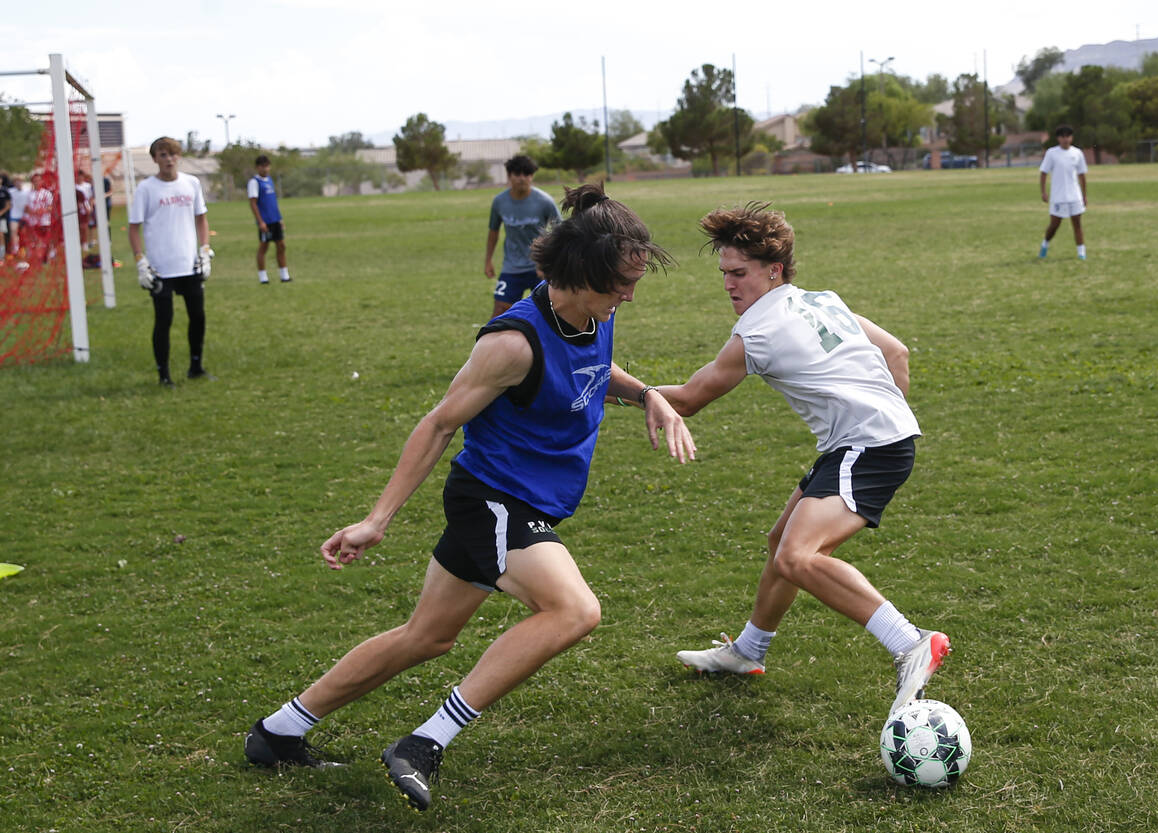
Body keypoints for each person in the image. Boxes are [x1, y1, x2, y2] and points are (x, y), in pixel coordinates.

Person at [244, 183, 695, 812]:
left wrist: (648, 393)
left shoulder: (594, 316)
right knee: (574, 611)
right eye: (621, 282)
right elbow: (438, 424)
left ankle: (278, 731)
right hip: (495, 498)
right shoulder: (511, 344)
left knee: (425, 637)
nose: (630, 294)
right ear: (582, 274)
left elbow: (593, 372)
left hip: (525, 501)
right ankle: (425, 742)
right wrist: (377, 519)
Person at [657, 203, 948, 718]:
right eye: (724, 274)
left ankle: (909, 643)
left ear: (774, 269)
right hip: (870, 441)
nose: (729, 285)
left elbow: (684, 400)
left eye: (739, 273)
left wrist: (604, 383)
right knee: (781, 542)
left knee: (797, 556)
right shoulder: (823, 300)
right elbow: (897, 353)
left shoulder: (757, 333)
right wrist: (888, 417)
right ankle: (748, 651)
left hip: (867, 446)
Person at [127, 136, 214, 387]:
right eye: (163, 155)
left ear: (179, 156)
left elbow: (201, 218)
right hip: (161, 267)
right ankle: (163, 375)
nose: (169, 159)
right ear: (155, 159)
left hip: (189, 264)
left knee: (197, 316)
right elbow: (134, 228)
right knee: (164, 320)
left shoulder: (192, 183)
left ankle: (196, 366)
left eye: (173, 154)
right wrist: (140, 261)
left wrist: (205, 250)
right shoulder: (146, 188)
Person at [484, 154, 560, 318]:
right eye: (517, 174)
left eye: (527, 174)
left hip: (539, 269)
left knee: (549, 315)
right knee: (499, 312)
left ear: (532, 176)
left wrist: (547, 262)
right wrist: (488, 260)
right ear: (509, 176)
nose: (522, 178)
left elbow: (559, 233)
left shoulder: (544, 201)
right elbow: (493, 232)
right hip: (511, 268)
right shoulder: (499, 202)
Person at [1038, 125, 1088, 261]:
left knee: (1077, 223)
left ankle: (1081, 252)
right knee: (1054, 225)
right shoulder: (1052, 153)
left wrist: (1084, 195)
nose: (1065, 139)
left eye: (1068, 136)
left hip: (1074, 196)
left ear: (1071, 138)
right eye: (1062, 136)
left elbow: (1082, 175)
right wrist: (1043, 192)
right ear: (1058, 138)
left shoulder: (1077, 153)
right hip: (1058, 196)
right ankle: (1045, 244)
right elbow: (1043, 173)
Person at [247, 154, 289, 284]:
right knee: (264, 247)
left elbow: (273, 202)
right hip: (265, 221)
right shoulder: (254, 182)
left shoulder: (269, 180)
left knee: (281, 246)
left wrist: (280, 218)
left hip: (275, 219)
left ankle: (284, 275)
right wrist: (260, 221)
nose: (265, 169)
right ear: (257, 167)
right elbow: (253, 203)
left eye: (267, 166)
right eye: (262, 167)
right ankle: (263, 277)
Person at [8, 175, 29, 258]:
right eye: (16, 181)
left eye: (20, 181)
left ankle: (24, 250)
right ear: (14, 183)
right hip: (14, 215)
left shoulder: (27, 191)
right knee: (13, 231)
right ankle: (15, 249)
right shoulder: (10, 191)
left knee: (24, 234)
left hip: (24, 216)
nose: (18, 183)